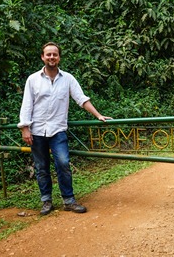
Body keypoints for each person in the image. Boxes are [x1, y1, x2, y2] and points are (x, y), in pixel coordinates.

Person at [18, 42, 112, 215]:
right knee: (41, 167)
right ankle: (46, 201)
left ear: (59, 57)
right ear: (42, 57)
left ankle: (68, 200)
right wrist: (25, 128)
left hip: (58, 130)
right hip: (37, 131)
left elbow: (81, 98)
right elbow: (27, 104)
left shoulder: (68, 78)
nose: (51, 57)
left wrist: (98, 115)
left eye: (55, 54)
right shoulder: (33, 79)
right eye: (48, 54)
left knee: (63, 163)